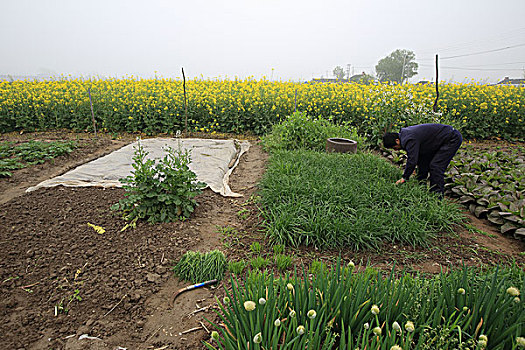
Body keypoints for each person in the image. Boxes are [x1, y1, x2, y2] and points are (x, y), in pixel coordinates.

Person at [382, 123, 462, 197]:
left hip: (451, 139)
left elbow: (412, 160)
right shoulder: (405, 135)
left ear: (397, 140)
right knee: (422, 161)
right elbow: (418, 158)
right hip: (439, 140)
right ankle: (421, 188)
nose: (396, 150)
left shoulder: (409, 139)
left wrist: (405, 177)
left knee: (436, 166)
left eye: (394, 147)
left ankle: (436, 197)